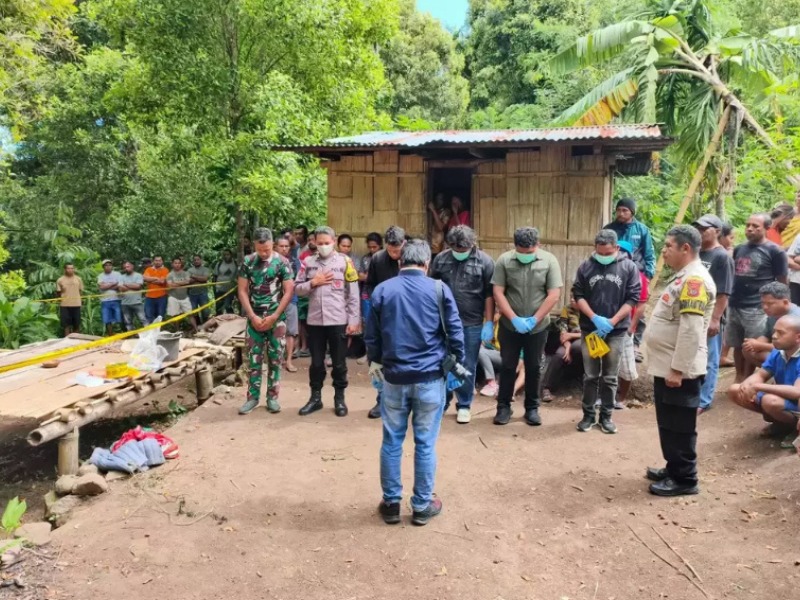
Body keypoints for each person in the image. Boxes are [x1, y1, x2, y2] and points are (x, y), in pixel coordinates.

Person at [365, 239, 465, 526]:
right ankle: (422, 505)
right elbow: (455, 332)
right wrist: (455, 363)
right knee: (425, 443)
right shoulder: (439, 289)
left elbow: (372, 336)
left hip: (394, 379)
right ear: (426, 263)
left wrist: (376, 362)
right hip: (430, 378)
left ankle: (391, 503)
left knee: (392, 441)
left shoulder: (383, 290)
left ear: (400, 263)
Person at [645, 225, 716, 497]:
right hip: (668, 366)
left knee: (681, 426)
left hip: (680, 371)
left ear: (685, 248)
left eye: (668, 246)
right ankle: (673, 467)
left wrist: (678, 369)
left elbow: (690, 330)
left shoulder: (694, 281)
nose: (664, 251)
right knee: (668, 422)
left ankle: (685, 479)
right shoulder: (683, 276)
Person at [491, 226, 563, 426]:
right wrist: (513, 318)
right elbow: (498, 291)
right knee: (507, 366)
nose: (525, 256)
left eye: (530, 252)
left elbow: (554, 294)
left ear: (538, 245)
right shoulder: (504, 260)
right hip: (509, 325)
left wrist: (534, 319)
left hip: (537, 327)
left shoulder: (550, 261)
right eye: (521, 252)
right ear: (515, 247)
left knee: (533, 367)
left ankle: (532, 408)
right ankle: (503, 407)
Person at [572, 229, 640, 434]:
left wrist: (613, 320)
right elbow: (578, 294)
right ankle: (588, 415)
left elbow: (633, 297)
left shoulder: (628, 267)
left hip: (616, 331)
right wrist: (593, 317)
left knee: (610, 376)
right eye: (599, 253)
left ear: (616, 248)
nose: (602, 257)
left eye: (607, 253)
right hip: (590, 331)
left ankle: (607, 417)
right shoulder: (586, 266)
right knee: (591, 375)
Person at [429, 225, 495, 424]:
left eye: (463, 250)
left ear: (472, 244)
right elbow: (432, 289)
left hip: (472, 322)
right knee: (443, 362)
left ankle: (464, 404)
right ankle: (443, 401)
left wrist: (489, 321)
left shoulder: (485, 261)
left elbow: (489, 295)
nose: (459, 253)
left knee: (467, 364)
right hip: (444, 322)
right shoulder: (441, 259)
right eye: (455, 249)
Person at [294, 226, 361, 417]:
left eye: (327, 243)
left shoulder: (345, 262)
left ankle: (339, 399)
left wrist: (353, 320)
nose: (323, 246)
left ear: (334, 241)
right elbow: (297, 289)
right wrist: (313, 282)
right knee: (316, 363)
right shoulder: (307, 262)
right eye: (320, 243)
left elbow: (353, 293)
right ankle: (315, 398)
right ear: (314, 242)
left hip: (338, 320)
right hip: (315, 322)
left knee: (339, 363)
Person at [237, 228, 295, 415]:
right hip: (254, 318)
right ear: (255, 245)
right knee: (254, 359)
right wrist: (252, 316)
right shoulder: (248, 262)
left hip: (276, 319)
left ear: (272, 244)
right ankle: (252, 398)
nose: (264, 253)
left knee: (275, 359)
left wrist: (275, 316)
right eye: (260, 250)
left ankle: (272, 398)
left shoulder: (282, 263)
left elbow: (288, 291)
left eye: (267, 250)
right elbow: (242, 291)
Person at [728, 213, 788, 382]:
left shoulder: (775, 252)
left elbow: (781, 281)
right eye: (748, 225)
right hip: (735, 303)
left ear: (767, 228)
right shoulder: (739, 248)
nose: (750, 229)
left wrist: (778, 306)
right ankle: (739, 376)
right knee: (737, 343)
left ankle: (748, 377)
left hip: (757, 306)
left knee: (751, 344)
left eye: (755, 226)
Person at [727, 315, 800, 441]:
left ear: (798, 337)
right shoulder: (779, 352)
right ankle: (781, 422)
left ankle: (793, 427)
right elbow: (761, 374)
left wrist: (757, 387)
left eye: (781, 333)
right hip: (783, 398)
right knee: (736, 390)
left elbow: (796, 392)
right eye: (774, 331)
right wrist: (748, 385)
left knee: (770, 401)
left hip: (795, 401)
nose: (774, 336)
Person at [603, 198, 656, 358]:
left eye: (625, 210)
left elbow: (649, 254)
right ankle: (609, 340)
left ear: (632, 212)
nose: (621, 213)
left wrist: (647, 275)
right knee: (612, 305)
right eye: (619, 210)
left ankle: (634, 344)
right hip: (613, 272)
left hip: (636, 273)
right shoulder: (609, 229)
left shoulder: (642, 230)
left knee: (638, 308)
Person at [693, 214, 734, 413]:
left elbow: (724, 291)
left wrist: (716, 318)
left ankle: (703, 400)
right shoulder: (696, 252)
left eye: (705, 228)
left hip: (710, 315)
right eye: (698, 228)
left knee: (710, 358)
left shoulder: (721, 257)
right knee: (695, 355)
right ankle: (693, 394)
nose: (700, 232)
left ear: (717, 231)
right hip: (694, 312)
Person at [364, 225, 406, 419]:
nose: (394, 254)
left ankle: (404, 403)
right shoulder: (378, 258)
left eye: (397, 250)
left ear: (404, 244)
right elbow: (369, 283)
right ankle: (381, 400)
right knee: (379, 360)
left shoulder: (411, 258)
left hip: (406, 318)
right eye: (390, 250)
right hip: (382, 316)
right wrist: (375, 300)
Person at [615, 240, 649, 409]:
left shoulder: (639, 276)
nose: (619, 254)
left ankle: (620, 399)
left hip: (625, 326)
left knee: (627, 366)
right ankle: (605, 397)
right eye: (617, 250)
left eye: (622, 252)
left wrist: (632, 327)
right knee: (604, 365)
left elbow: (641, 305)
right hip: (605, 327)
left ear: (629, 256)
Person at [741, 282, 800, 369]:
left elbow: (789, 347)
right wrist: (753, 344)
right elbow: (766, 334)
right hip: (782, 350)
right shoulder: (774, 313)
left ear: (785, 302)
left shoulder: (796, 317)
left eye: (770, 304)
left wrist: (759, 345)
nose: (765, 307)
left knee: (774, 357)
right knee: (748, 349)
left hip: (795, 354)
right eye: (763, 303)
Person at [540, 302, 582, 403]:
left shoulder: (589, 310)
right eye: (571, 297)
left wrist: (572, 335)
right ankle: (546, 389)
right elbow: (563, 331)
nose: (572, 300)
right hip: (567, 341)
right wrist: (567, 347)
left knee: (577, 347)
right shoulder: (566, 309)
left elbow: (591, 332)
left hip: (584, 340)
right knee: (559, 354)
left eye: (575, 298)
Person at [357, 232, 383, 365]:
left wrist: (368, 276)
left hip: (381, 294)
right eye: (370, 247)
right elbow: (359, 276)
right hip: (367, 293)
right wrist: (370, 277)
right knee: (367, 323)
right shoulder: (365, 259)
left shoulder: (384, 258)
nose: (372, 249)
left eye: (375, 247)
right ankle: (368, 353)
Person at [275, 236, 300, 373]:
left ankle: (288, 361)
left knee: (290, 332)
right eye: (281, 246)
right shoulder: (269, 262)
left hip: (291, 300)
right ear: (275, 247)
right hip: (273, 301)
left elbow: (299, 279)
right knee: (274, 331)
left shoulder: (294, 262)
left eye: (286, 246)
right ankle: (276, 360)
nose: (284, 249)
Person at [718, 222, 736, 367]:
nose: (732, 241)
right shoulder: (723, 255)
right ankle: (719, 355)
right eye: (730, 237)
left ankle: (721, 355)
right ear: (721, 237)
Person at [166, 257, 195, 330]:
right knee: (175, 316)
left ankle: (196, 329)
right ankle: (177, 332)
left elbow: (187, 282)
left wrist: (175, 283)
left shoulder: (185, 273)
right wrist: (183, 283)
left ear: (181, 264)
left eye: (179, 263)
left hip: (184, 297)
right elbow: (170, 285)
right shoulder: (169, 275)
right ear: (172, 264)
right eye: (175, 263)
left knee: (190, 314)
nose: (177, 265)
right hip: (173, 297)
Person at [56, 263, 84, 335]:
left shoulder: (78, 279)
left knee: (76, 324)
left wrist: (80, 301)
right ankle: (67, 340)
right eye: (68, 268)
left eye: (72, 268)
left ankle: (76, 340)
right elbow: (58, 292)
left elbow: (80, 291)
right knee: (66, 325)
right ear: (65, 269)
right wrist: (62, 299)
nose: (71, 270)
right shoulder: (60, 280)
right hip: (65, 305)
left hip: (76, 304)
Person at [118, 260, 146, 331]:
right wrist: (132, 285)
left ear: (132, 266)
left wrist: (125, 284)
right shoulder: (121, 277)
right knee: (128, 322)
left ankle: (149, 334)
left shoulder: (138, 275)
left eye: (128, 266)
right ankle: (132, 335)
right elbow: (121, 288)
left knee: (143, 319)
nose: (126, 268)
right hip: (125, 303)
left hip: (137, 302)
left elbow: (138, 286)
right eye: (125, 267)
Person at [97, 259, 122, 336]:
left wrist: (107, 285)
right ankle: (111, 334)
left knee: (119, 318)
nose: (108, 267)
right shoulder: (100, 276)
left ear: (112, 266)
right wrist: (114, 283)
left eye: (109, 265)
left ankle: (122, 334)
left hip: (116, 299)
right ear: (103, 267)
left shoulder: (117, 274)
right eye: (106, 265)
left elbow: (120, 286)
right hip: (105, 300)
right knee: (107, 319)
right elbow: (102, 287)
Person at [143, 256, 169, 324]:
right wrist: (157, 278)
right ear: (153, 261)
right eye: (156, 260)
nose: (157, 262)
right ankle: (152, 333)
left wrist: (150, 279)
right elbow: (145, 278)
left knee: (160, 316)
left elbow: (162, 282)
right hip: (149, 296)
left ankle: (159, 332)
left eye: (159, 260)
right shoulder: (148, 269)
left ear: (162, 261)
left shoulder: (165, 270)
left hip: (161, 296)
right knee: (149, 316)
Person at [188, 255, 212, 324]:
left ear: (201, 260)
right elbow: (188, 281)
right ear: (193, 261)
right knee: (194, 311)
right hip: (192, 293)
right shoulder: (190, 270)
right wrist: (199, 279)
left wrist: (193, 276)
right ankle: (197, 327)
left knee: (205, 311)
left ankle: (206, 326)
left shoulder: (206, 269)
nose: (196, 261)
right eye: (195, 260)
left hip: (203, 293)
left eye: (198, 259)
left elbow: (205, 279)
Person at [213, 249, 238, 315]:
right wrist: (214, 289)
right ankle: (218, 323)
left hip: (230, 290)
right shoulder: (219, 264)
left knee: (228, 306)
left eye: (227, 254)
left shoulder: (235, 264)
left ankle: (232, 322)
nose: (226, 256)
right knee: (218, 308)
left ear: (231, 255)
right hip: (219, 289)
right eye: (224, 255)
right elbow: (214, 276)